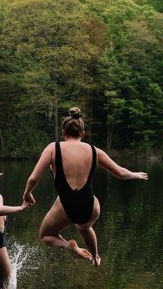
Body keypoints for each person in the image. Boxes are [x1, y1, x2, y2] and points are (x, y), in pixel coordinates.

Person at [23, 107, 148, 267]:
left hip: (66, 206)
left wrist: (28, 193)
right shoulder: (94, 151)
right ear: (82, 134)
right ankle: (95, 257)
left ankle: (69, 246)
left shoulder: (53, 148)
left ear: (63, 132)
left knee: (46, 235)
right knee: (84, 227)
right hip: (89, 207)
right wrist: (135, 174)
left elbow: (33, 178)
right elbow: (121, 174)